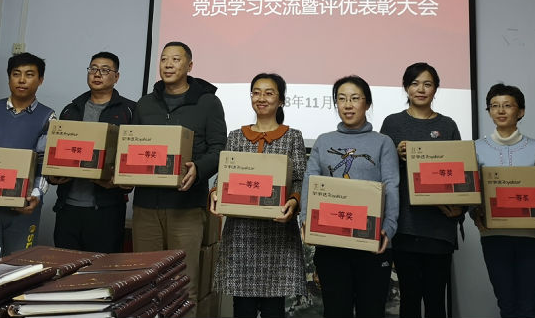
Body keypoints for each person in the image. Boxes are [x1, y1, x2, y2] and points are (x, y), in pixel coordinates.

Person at [132, 41, 227, 316]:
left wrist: (199, 169)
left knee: (183, 287)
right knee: (145, 284)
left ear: (190, 66)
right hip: (146, 207)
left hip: (186, 207)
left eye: (175, 59)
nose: (168, 64)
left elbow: (219, 148)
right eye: (164, 59)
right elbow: (132, 146)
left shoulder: (207, 102)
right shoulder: (145, 104)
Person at [301, 75, 399, 318]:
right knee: (336, 311)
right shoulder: (324, 141)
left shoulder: (383, 142)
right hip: (331, 244)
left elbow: (391, 185)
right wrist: (305, 220)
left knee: (371, 311)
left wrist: (388, 228)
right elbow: (310, 181)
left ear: (367, 103)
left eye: (355, 98)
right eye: (342, 99)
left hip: (372, 241)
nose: (347, 105)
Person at [210, 73, 306, 318]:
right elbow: (224, 175)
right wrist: (216, 193)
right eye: (256, 92)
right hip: (241, 234)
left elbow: (299, 179)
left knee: (274, 309)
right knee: (243, 308)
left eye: (269, 93)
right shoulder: (235, 136)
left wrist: (293, 201)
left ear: (281, 100)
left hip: (278, 234)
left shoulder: (293, 136)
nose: (261, 98)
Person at [379, 62, 463, 318]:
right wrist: (395, 154)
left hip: (439, 228)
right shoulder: (392, 123)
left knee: (436, 302)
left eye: (427, 84)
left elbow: (462, 173)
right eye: (415, 83)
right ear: (406, 87)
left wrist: (461, 209)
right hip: (406, 226)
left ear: (436, 88)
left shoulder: (447, 125)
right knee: (410, 300)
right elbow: (380, 172)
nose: (421, 89)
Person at [472, 83, 535, 318]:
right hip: (493, 236)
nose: (500, 111)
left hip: (531, 237)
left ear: (521, 111)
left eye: (507, 105)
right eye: (494, 106)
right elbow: (471, 192)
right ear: (489, 111)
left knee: (530, 304)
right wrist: (474, 212)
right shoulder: (476, 148)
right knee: (506, 303)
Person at [0, 52, 56, 255]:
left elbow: (44, 163)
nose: (22, 80)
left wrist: (36, 195)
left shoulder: (48, 117)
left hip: (23, 207)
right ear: (9, 78)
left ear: (40, 80)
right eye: (16, 74)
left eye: (29, 74)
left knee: (18, 265)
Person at [49, 51, 135, 253]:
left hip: (107, 210)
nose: (97, 74)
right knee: (66, 266)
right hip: (68, 207)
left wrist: (118, 181)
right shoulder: (71, 110)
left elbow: (133, 158)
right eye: (93, 69)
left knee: (102, 268)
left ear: (116, 77)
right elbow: (57, 152)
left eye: (105, 70)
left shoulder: (129, 110)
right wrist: (52, 176)